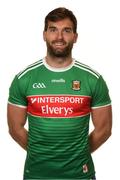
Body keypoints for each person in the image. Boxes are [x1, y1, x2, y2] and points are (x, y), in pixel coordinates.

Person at [7, 7, 112, 180]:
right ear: (44, 35)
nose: (59, 37)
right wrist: (43, 154)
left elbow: (104, 130)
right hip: (37, 175)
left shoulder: (93, 79)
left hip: (80, 175)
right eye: (53, 30)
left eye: (67, 31)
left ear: (75, 37)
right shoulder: (23, 78)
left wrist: (76, 155)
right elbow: (15, 129)